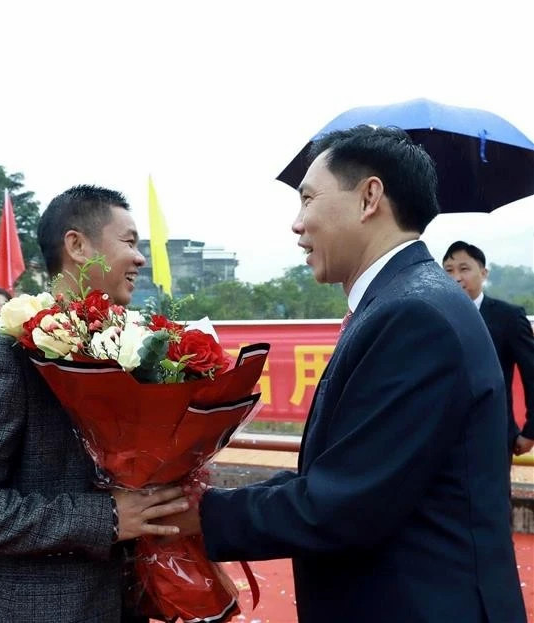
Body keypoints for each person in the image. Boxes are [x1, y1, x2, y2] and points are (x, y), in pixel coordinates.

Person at [167, 126, 526, 622]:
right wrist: (216, 498)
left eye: (308, 199)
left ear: (369, 197)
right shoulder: (404, 302)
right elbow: (348, 470)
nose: (297, 225)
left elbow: (346, 503)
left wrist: (200, 514)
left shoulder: (412, 314)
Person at [0, 185, 188, 623]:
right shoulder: (4, 353)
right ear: (77, 246)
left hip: (124, 603)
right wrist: (107, 518)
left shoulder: (134, 350)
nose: (140, 259)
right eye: (129, 242)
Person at [443, 241, 534, 457]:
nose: (456, 277)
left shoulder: (508, 318)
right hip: (442, 437)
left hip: (494, 435)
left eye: (464, 269)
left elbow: (532, 374)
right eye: (448, 271)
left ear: (483, 273)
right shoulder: (434, 315)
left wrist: (531, 432)